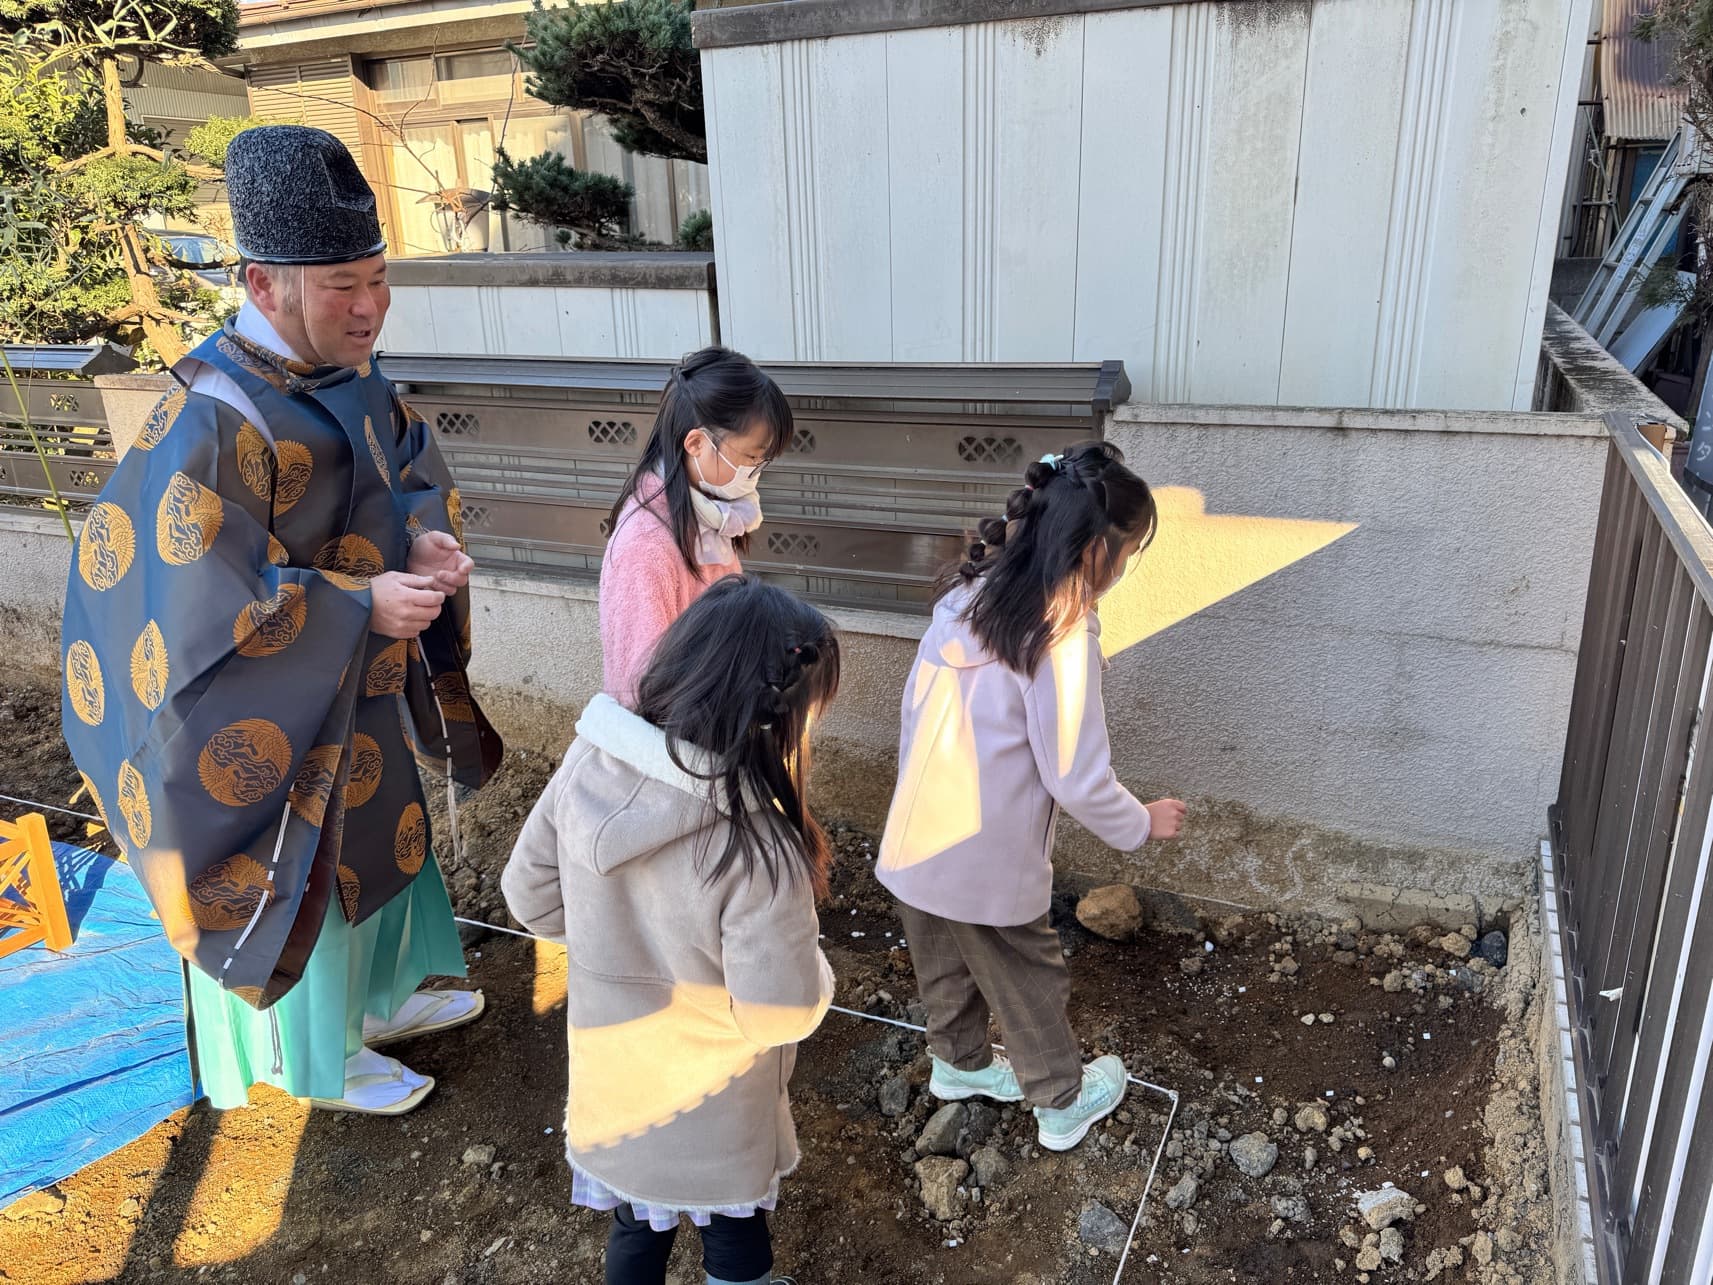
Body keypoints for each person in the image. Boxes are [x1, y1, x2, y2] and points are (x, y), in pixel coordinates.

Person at [59, 125, 503, 1116]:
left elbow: (406, 473)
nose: (369, 307)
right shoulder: (212, 415)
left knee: (383, 838)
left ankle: (380, 999)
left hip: (353, 685)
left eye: (378, 280)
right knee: (304, 870)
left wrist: (424, 542)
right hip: (265, 715)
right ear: (263, 285)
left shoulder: (351, 373)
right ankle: (319, 1058)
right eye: (343, 285)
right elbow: (196, 603)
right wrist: (357, 603)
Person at [503, 575, 837, 1285]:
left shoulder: (589, 762)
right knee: (734, 1229)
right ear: (780, 720)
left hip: (614, 1083)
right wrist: (822, 975)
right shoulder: (759, 847)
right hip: (712, 1101)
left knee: (633, 1221)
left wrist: (607, 940)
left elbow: (528, 894)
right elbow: (777, 1012)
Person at [876, 442, 1187, 1152]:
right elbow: (1073, 772)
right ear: (1095, 552)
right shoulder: (1060, 634)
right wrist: (1140, 822)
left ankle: (959, 1064)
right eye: (1128, 552)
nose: (1124, 567)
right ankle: (1062, 1100)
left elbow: (912, 712)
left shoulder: (964, 598)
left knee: (945, 960)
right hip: (984, 853)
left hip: (915, 837)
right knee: (1027, 974)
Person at [599, 347, 794, 708]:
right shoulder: (644, 546)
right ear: (696, 443)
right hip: (671, 734)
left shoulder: (708, 515)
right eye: (751, 457)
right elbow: (641, 687)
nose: (755, 472)